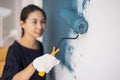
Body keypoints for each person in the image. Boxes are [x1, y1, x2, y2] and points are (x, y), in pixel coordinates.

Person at [0, 4, 60, 80]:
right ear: (22, 24)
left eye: (43, 22)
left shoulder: (39, 45)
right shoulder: (14, 50)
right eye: (34, 22)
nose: (40, 26)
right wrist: (34, 65)